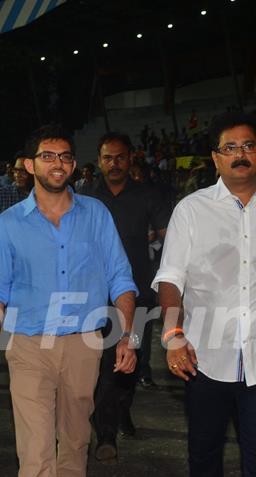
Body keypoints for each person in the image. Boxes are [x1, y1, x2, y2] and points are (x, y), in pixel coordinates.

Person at [153, 112, 256, 476]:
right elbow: (171, 280)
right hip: (204, 358)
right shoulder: (190, 211)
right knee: (205, 458)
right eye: (230, 147)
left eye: (248, 146)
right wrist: (174, 336)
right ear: (216, 157)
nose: (240, 154)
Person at [0, 124, 138, 477]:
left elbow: (121, 279)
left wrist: (128, 337)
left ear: (74, 164)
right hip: (28, 346)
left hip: (85, 344)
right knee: (35, 453)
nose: (58, 164)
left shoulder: (96, 214)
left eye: (65, 156)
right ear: (29, 165)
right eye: (47, 156)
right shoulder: (8, 225)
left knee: (76, 443)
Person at [80, 132, 171, 462]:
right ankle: (106, 432)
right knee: (104, 362)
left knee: (131, 363)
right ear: (100, 160)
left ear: (130, 158)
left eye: (120, 157)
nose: (114, 164)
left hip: (138, 294)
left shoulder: (148, 196)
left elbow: (169, 239)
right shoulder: (85, 197)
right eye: (107, 158)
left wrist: (164, 278)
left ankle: (121, 410)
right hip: (95, 296)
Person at [0, 153, 33, 234]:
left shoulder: (42, 197)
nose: (17, 175)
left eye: (22, 171)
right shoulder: (1, 195)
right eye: (15, 170)